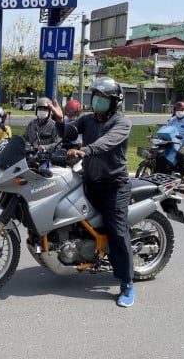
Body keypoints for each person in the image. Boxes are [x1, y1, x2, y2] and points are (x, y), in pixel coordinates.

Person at [49, 77, 135, 308]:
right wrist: (59, 121)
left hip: (114, 186)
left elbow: (107, 143)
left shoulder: (122, 122)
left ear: (114, 101)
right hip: (89, 181)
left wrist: (84, 150)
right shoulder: (88, 119)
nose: (97, 101)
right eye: (95, 96)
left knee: (117, 230)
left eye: (103, 98)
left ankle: (127, 282)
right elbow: (68, 132)